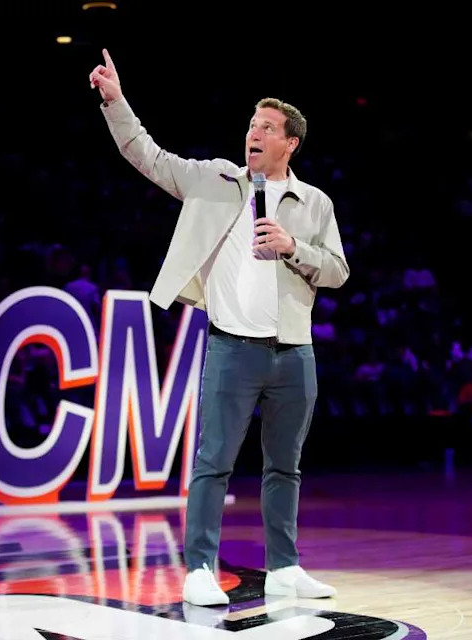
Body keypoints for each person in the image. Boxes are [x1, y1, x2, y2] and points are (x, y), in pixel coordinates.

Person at [89, 49, 349, 606]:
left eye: (267, 127)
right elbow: (149, 156)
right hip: (233, 349)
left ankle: (284, 568)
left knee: (286, 466)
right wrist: (115, 101)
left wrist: (293, 247)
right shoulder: (215, 181)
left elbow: (338, 271)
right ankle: (200, 567)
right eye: (252, 124)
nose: (254, 132)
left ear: (290, 144)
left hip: (294, 353)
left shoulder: (314, 202)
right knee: (213, 462)